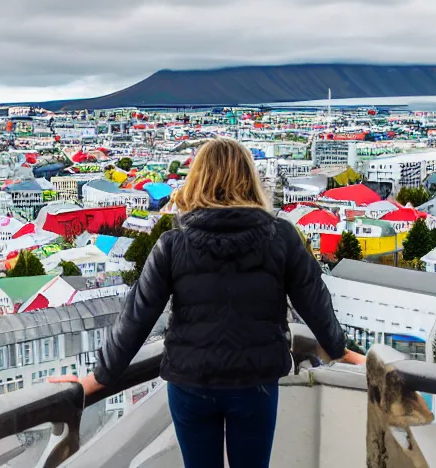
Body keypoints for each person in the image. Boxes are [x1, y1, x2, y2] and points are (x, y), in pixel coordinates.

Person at [51, 137, 364, 467]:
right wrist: (337, 347)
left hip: (191, 382)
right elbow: (314, 300)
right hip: (254, 380)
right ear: (249, 181)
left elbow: (136, 317)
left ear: (198, 179)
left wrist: (97, 379)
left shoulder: (173, 243)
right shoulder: (280, 236)